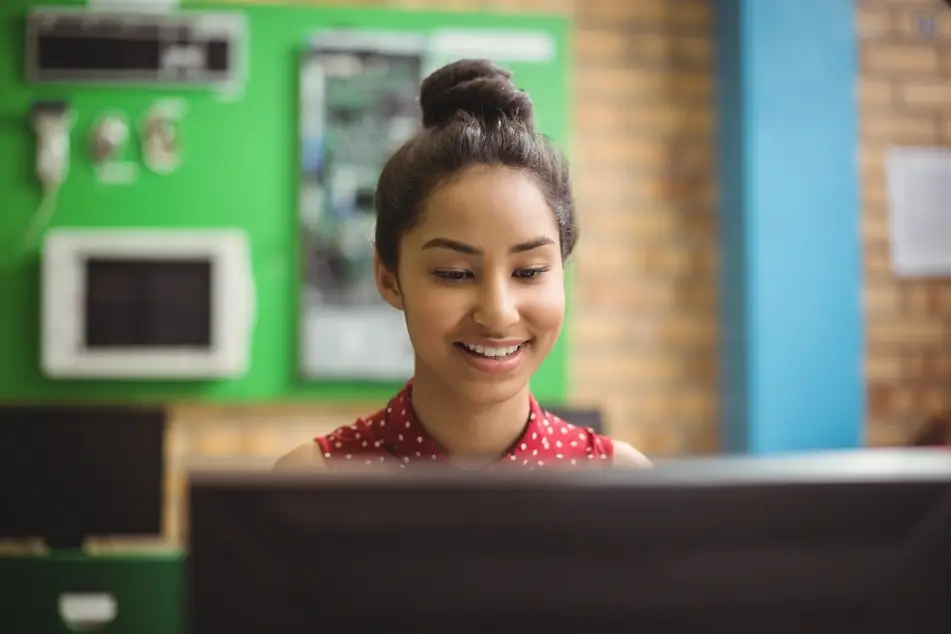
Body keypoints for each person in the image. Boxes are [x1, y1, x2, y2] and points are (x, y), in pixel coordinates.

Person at [276, 59, 649, 472]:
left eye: (528, 272)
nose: (497, 312)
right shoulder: (316, 481)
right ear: (388, 277)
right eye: (454, 273)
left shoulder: (619, 481)